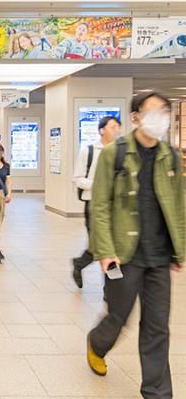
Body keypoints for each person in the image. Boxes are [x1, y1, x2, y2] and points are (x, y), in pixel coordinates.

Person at [86, 92, 185, 397]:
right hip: (124, 254)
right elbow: (100, 206)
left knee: (157, 326)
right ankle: (96, 343)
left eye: (165, 111)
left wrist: (179, 249)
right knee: (119, 317)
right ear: (135, 117)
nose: (160, 116)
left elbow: (178, 205)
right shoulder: (114, 154)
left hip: (158, 256)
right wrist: (104, 251)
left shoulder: (170, 156)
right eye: (153, 110)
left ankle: (157, 393)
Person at [71, 116, 122, 288]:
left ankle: (109, 286)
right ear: (102, 130)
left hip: (117, 206)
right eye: (113, 127)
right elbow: (77, 179)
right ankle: (82, 266)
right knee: (100, 244)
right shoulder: (90, 152)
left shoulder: (123, 152)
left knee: (113, 245)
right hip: (94, 204)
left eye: (119, 127)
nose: (117, 130)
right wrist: (101, 185)